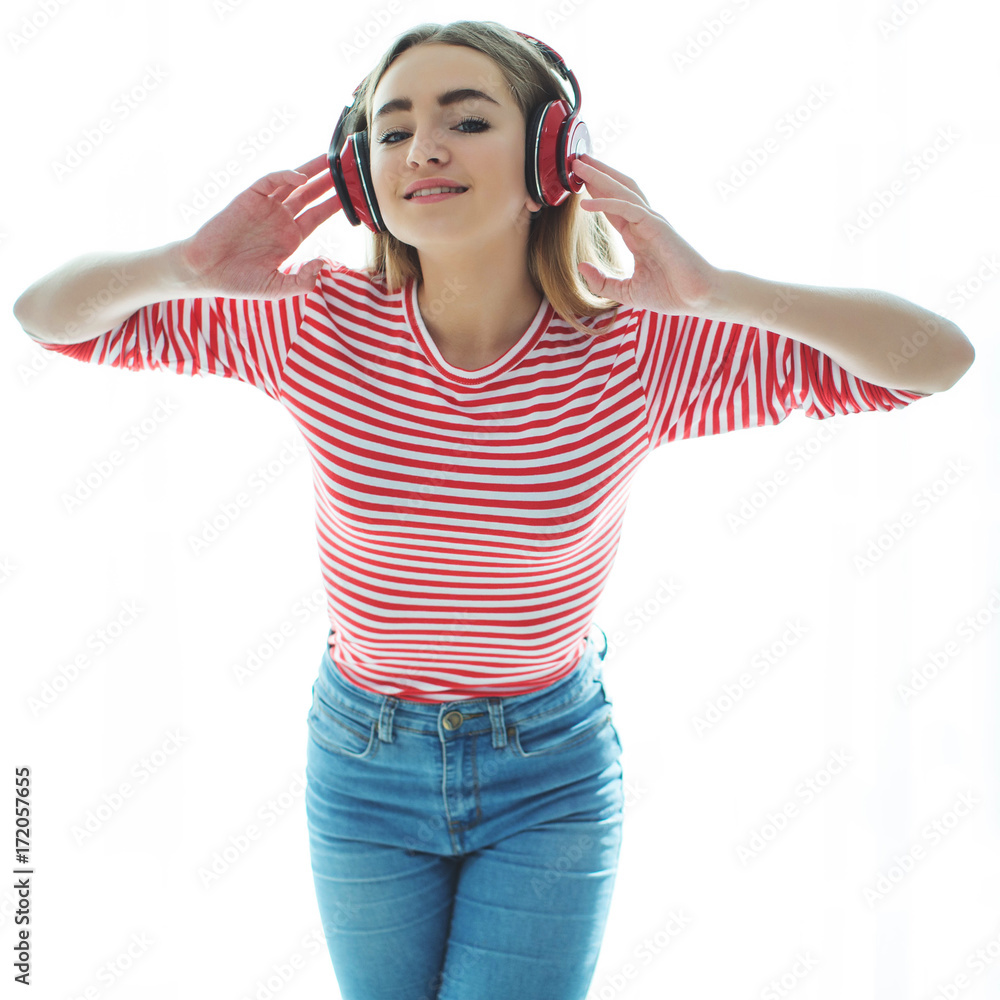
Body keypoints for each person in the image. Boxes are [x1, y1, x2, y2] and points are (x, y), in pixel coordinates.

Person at [13, 18, 974, 1000]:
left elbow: (933, 362)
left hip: (547, 774)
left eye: (465, 119)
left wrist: (716, 290)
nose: (421, 146)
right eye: (390, 131)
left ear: (553, 160)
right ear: (362, 177)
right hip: (362, 762)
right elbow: (47, 319)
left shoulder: (639, 351)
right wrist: (182, 267)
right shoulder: (311, 323)